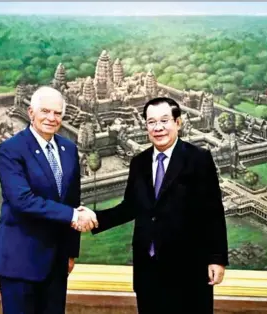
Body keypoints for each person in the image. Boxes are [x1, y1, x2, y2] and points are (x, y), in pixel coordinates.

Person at [88, 97, 229, 314]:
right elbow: (130, 207)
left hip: (189, 269)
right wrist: (92, 218)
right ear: (145, 126)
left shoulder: (198, 159)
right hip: (148, 271)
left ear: (178, 123)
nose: (158, 127)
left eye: (164, 120)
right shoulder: (139, 163)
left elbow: (213, 212)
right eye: (151, 122)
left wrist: (217, 259)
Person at [0, 86, 97, 314]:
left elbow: (72, 199)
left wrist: (70, 252)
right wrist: (75, 216)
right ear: (30, 112)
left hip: (56, 262)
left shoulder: (68, 149)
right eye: (45, 111)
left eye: (57, 113)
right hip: (20, 260)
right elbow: (22, 200)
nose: (51, 118)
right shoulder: (11, 149)